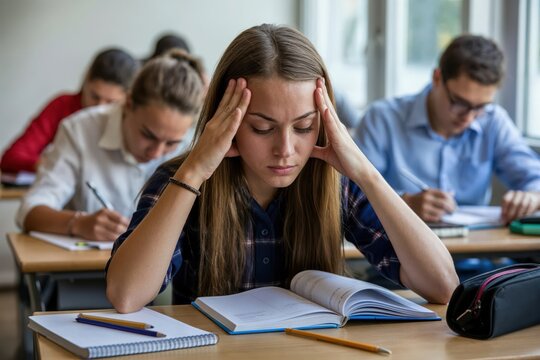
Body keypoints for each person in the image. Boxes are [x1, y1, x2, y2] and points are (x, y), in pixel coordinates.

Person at [106, 24, 458, 313]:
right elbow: (126, 295)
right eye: (262, 128)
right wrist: (195, 171)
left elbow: (443, 286)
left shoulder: (332, 180)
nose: (286, 150)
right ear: (225, 120)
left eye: (304, 127)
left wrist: (365, 172)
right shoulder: (181, 180)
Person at [17, 49, 206, 242]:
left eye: (171, 143)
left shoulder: (193, 142)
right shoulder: (80, 129)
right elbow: (29, 211)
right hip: (84, 268)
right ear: (128, 103)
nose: (157, 152)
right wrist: (78, 223)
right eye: (148, 135)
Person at [355, 34, 540, 224]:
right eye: (459, 103)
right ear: (437, 78)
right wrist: (405, 204)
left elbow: (535, 177)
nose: (469, 117)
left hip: (476, 251)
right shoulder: (382, 120)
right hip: (396, 252)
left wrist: (532, 197)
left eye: (480, 107)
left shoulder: (493, 121)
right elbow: (351, 198)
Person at [0, 48, 139, 174]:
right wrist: (59, 169)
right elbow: (13, 157)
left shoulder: (133, 121)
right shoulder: (63, 105)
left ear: (126, 100)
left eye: (110, 102)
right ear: (86, 81)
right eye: (94, 96)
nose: (98, 108)